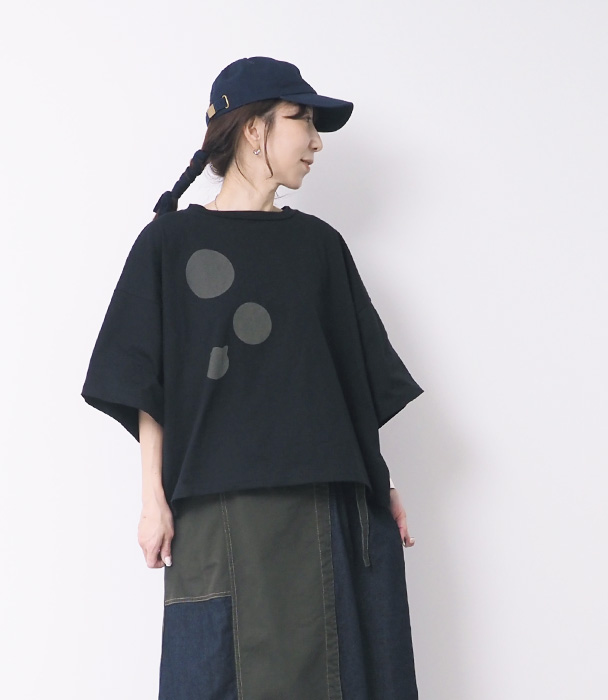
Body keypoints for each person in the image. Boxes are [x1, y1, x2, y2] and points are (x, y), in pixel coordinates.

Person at [81, 56, 425, 700]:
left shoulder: (319, 247)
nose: (316, 142)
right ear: (253, 129)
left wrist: (381, 483)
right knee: (217, 675)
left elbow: (348, 384)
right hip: (219, 512)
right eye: (303, 120)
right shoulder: (169, 243)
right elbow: (145, 380)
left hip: (325, 507)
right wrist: (152, 498)